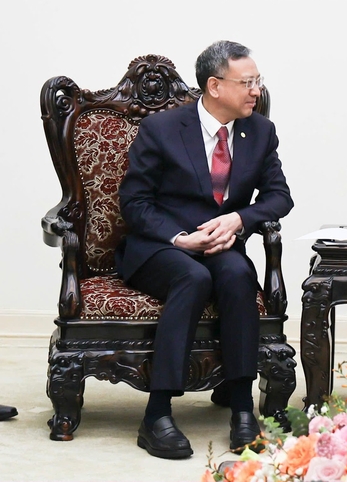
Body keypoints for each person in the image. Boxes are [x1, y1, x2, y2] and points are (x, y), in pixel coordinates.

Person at [116, 40, 294, 460]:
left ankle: (242, 408)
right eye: (247, 82)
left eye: (258, 81)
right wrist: (181, 238)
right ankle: (157, 414)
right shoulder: (162, 129)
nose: (257, 91)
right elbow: (134, 203)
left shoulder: (260, 131)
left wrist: (239, 219)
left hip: (220, 245)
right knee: (191, 277)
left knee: (238, 275)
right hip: (161, 246)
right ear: (215, 86)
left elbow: (279, 196)